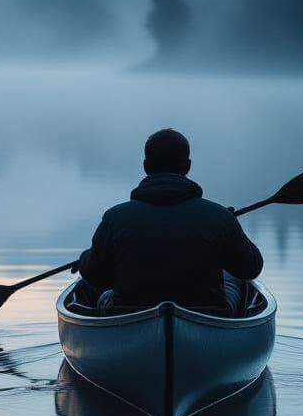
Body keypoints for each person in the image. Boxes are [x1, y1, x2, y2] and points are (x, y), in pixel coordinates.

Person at [76, 129, 263, 315]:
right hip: (208, 315)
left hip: (127, 314)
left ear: (146, 166)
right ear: (187, 166)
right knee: (234, 280)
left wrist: (85, 259)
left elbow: (96, 276)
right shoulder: (219, 217)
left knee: (96, 289)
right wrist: (230, 225)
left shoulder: (115, 218)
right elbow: (250, 268)